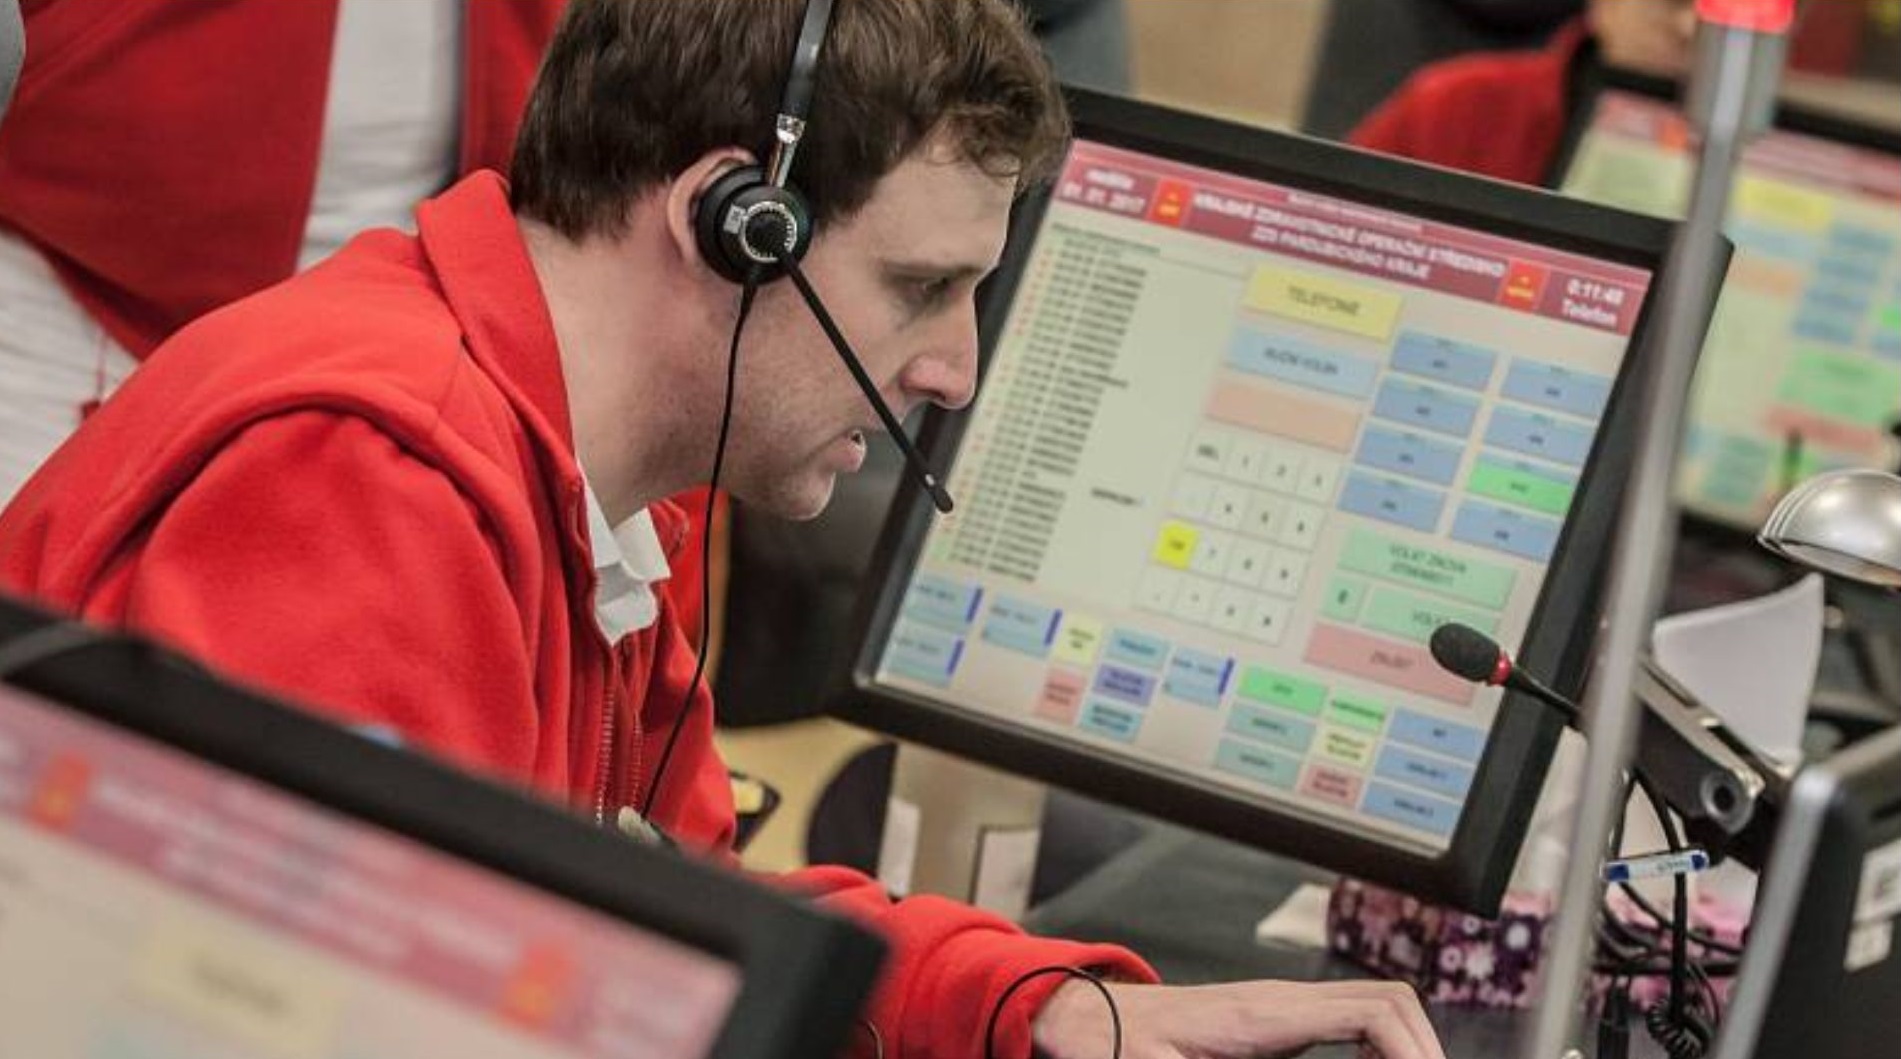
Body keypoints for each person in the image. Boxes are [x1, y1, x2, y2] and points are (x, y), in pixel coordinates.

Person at [0, 2, 1447, 1056]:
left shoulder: (600, 465)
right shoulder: (365, 474)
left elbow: (677, 913)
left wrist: (1041, 1007)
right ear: (730, 224)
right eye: (920, 288)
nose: (956, 369)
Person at [1349, 0, 1700, 184]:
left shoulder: (1735, 149)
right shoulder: (1455, 105)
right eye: (1672, 2)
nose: (1690, 26)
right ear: (1605, 5)